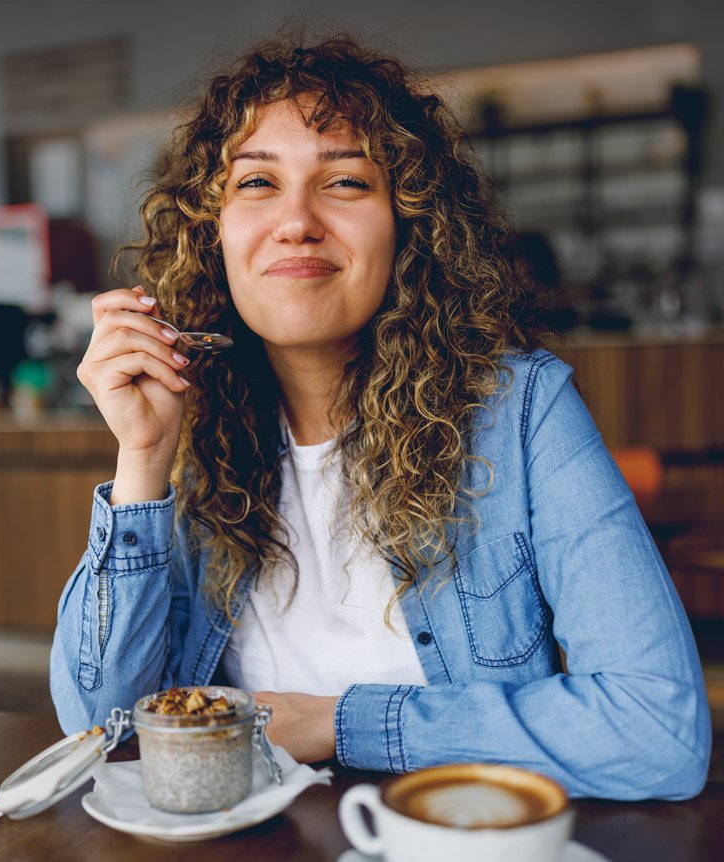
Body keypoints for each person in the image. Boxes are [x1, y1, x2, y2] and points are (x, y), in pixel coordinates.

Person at [50, 35, 709, 801]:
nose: (296, 221)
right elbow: (100, 729)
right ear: (212, 231)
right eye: (258, 181)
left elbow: (657, 732)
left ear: (410, 224)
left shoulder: (523, 414)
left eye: (346, 182)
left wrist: (344, 723)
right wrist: (142, 461)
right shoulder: (195, 434)